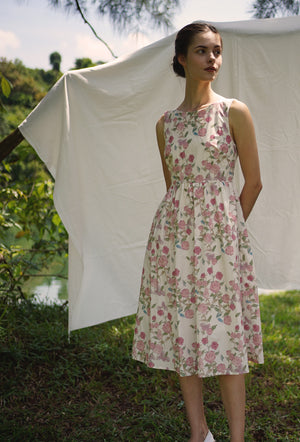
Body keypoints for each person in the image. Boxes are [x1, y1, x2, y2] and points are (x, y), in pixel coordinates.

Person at [132, 22, 264, 442]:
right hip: (173, 243)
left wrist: (228, 234)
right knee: (183, 333)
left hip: (221, 246)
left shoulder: (233, 112)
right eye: (202, 51)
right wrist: (185, 236)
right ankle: (199, 433)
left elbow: (254, 183)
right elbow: (175, 189)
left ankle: (237, 438)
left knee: (226, 340)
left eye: (217, 51)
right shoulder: (165, 124)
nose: (213, 59)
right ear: (181, 57)